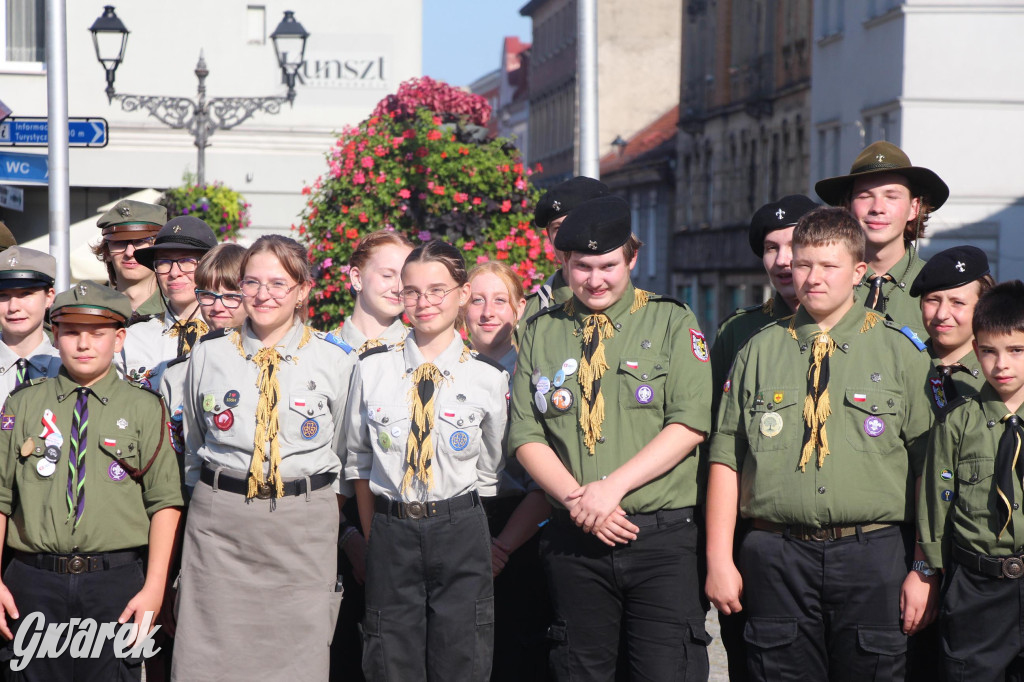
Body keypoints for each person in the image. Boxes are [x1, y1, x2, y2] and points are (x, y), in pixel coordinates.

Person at [706, 207, 935, 682]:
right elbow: (726, 460)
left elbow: (926, 469)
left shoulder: (901, 352)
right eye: (804, 263)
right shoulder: (758, 350)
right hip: (775, 553)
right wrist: (719, 559)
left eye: (828, 266)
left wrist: (924, 566)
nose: (812, 277)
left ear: (858, 272)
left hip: (872, 554)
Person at [509, 195, 712, 681]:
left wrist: (609, 490)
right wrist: (581, 501)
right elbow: (525, 432)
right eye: (582, 267)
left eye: (608, 265)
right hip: (573, 540)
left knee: (666, 670)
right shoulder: (540, 331)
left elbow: (689, 423)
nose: (595, 280)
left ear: (632, 259)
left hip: (659, 540)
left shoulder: (671, 321)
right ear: (563, 262)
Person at [172, 235, 352, 681]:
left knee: (299, 657)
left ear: (303, 290)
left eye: (278, 283)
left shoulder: (334, 361)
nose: (263, 295)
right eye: (251, 283)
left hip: (302, 530)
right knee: (207, 658)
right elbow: (195, 445)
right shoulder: (209, 355)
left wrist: (319, 511)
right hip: (220, 527)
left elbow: (347, 453)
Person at [0, 280, 183, 680]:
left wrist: (154, 587)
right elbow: (0, 498)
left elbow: (165, 502)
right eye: (70, 332)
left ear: (118, 339)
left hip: (115, 584)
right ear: (55, 335)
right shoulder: (23, 403)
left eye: (97, 334)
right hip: (33, 583)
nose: (83, 344)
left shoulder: (144, 407)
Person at [345, 240, 508, 682]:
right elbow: (359, 462)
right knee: (388, 657)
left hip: (460, 528)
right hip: (390, 528)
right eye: (411, 291)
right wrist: (375, 529)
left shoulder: (488, 378)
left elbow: (489, 469)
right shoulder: (371, 369)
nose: (423, 302)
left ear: (463, 293)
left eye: (437, 290)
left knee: (463, 657)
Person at [706, 194, 817, 682]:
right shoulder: (740, 332)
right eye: (771, 248)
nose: (783, 260)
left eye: (794, 245)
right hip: (760, 531)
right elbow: (721, 439)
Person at [919, 280, 1024, 679]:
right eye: (989, 351)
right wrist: (931, 571)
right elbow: (936, 505)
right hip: (975, 588)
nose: (1002, 365)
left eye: (1016, 350)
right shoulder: (958, 423)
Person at [326, 229, 413, 682]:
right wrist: (347, 537)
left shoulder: (421, 354)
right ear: (355, 277)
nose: (399, 285)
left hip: (403, 528)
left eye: (407, 275)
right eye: (388, 273)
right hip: (329, 530)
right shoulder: (320, 352)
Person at [466, 260, 552, 681]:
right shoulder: (446, 370)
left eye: (500, 300)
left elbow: (549, 477)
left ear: (519, 308)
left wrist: (501, 547)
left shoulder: (539, 375)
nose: (488, 312)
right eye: (477, 299)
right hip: (459, 525)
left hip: (523, 529)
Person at [815, 141, 948, 338]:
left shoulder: (940, 290)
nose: (877, 207)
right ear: (848, 206)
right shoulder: (822, 283)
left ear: (915, 207)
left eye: (891, 196)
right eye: (865, 196)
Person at [117, 216, 217, 387]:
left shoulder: (226, 334)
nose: (174, 272)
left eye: (186, 261)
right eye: (164, 262)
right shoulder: (133, 338)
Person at [515, 176, 609, 346]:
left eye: (577, 223)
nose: (568, 236)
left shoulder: (654, 315)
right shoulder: (525, 315)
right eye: (558, 228)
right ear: (549, 237)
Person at [910, 245, 992, 412]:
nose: (941, 314)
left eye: (958, 303)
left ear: (983, 307)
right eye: (933, 300)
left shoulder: (999, 373)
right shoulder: (905, 367)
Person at [0, 247, 61, 407]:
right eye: (3, 295)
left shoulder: (67, 369)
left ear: (49, 297)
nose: (13, 307)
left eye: (25, 294)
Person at [92, 200, 168, 320]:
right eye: (119, 243)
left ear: (159, 250)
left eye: (141, 241)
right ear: (106, 252)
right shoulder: (93, 313)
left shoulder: (178, 313)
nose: (129, 252)